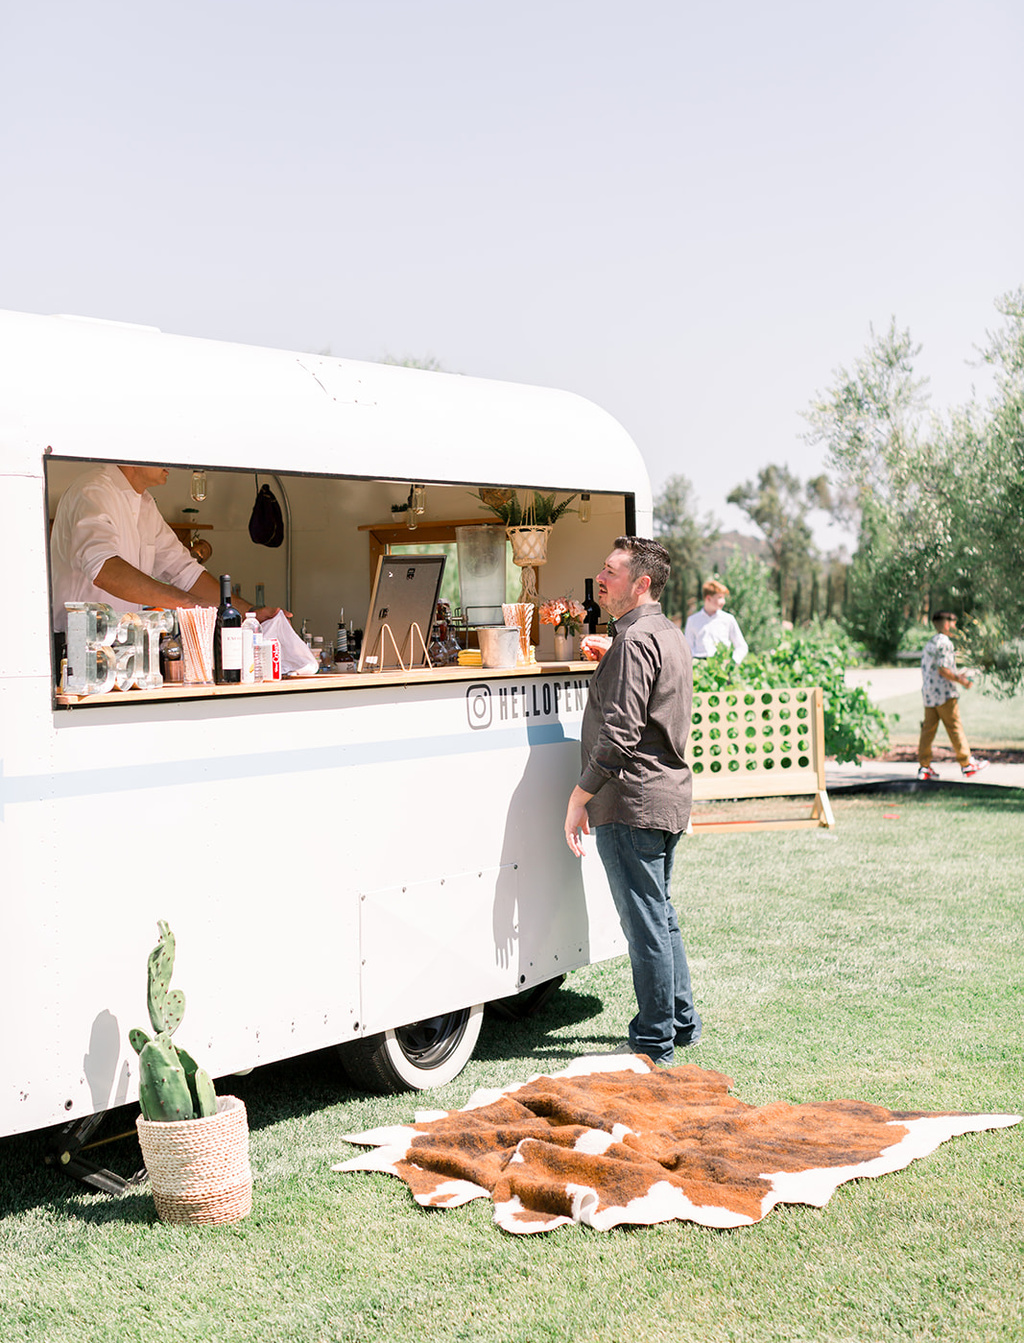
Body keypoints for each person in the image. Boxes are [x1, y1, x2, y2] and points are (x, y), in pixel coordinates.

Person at [565, 536, 700, 1064]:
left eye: (611, 572)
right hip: (666, 796)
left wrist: (579, 796)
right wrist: (613, 656)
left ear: (641, 583)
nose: (601, 579)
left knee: (645, 921)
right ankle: (680, 1023)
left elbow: (619, 736)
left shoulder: (635, 642)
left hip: (630, 801)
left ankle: (653, 1040)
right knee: (660, 915)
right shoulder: (666, 634)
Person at [50, 464, 287, 636]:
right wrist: (190, 603)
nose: (172, 462)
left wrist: (248, 612)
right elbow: (104, 570)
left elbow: (184, 571)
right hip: (79, 647)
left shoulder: (145, 503)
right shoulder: (94, 490)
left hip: (125, 644)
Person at [917, 611, 988, 780]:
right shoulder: (945, 643)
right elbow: (943, 670)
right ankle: (967, 764)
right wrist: (962, 681)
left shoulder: (930, 643)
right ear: (947, 623)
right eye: (954, 623)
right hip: (944, 694)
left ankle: (924, 767)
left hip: (929, 694)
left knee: (928, 731)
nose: (955, 627)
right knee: (954, 727)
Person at [684, 578, 748, 662]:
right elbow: (688, 648)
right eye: (720, 597)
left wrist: (733, 661)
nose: (723, 602)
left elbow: (742, 646)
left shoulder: (728, 619)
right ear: (708, 598)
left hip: (722, 666)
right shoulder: (692, 620)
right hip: (700, 666)